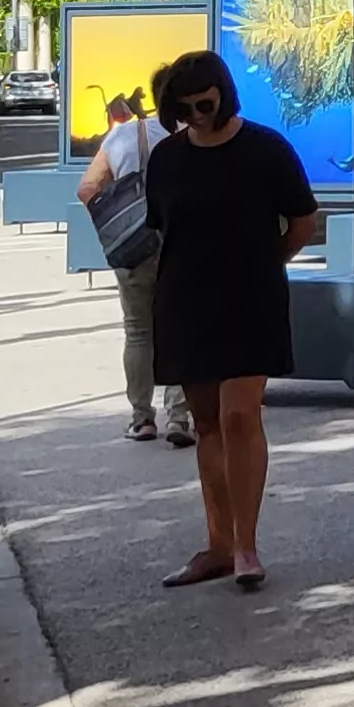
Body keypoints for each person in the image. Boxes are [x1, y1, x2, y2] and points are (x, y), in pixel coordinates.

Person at [142, 51, 320, 591]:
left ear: (223, 93)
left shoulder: (265, 148)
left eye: (204, 103)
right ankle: (218, 544)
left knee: (241, 415)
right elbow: (159, 228)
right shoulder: (168, 158)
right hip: (186, 300)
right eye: (183, 107)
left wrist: (269, 263)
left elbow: (304, 220)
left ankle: (246, 545)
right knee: (208, 425)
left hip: (251, 298)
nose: (195, 114)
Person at [77, 88, 188, 447]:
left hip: (134, 247)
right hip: (178, 244)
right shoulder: (184, 135)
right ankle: (180, 419)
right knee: (179, 328)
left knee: (138, 332)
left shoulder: (122, 135)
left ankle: (142, 419)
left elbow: (87, 188)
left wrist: (116, 212)